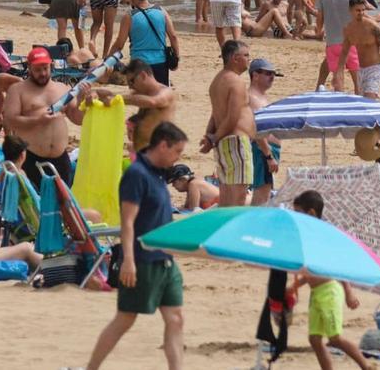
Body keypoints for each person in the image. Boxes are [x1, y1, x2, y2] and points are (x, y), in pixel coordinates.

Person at [85, 122, 187, 370]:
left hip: (165, 260)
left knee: (175, 318)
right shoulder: (137, 174)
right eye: (176, 152)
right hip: (143, 260)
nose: (177, 159)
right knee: (125, 319)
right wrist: (128, 260)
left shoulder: (158, 172)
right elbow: (127, 222)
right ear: (163, 145)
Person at [290, 190, 374, 370]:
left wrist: (349, 293)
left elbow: (338, 265)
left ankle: (366, 366)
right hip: (316, 294)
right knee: (314, 339)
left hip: (329, 291)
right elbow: (310, 271)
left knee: (335, 338)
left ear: (311, 213)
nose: (296, 217)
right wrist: (294, 286)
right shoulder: (307, 238)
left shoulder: (323, 236)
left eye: (298, 213)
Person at [1, 47, 86, 188]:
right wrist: (38, 121)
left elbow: (78, 119)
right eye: (38, 70)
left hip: (60, 158)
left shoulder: (62, 88)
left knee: (63, 205)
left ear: (51, 65)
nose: (43, 73)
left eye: (45, 68)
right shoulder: (18, 90)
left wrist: (83, 100)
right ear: (29, 68)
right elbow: (10, 121)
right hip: (32, 157)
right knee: (35, 206)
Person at [201, 40, 255, 207]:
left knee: (226, 193)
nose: (249, 59)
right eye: (246, 55)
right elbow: (233, 117)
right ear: (235, 58)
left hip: (225, 141)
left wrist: (210, 137)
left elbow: (215, 113)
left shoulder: (217, 80)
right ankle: (234, 231)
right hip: (235, 141)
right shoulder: (236, 82)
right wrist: (214, 138)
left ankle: (225, 229)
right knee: (238, 194)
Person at [91, 59, 175, 153]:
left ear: (143, 75)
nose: (130, 86)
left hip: (159, 154)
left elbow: (152, 102)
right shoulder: (140, 93)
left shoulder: (165, 93)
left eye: (132, 81)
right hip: (142, 153)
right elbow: (114, 97)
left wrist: (120, 99)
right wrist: (95, 93)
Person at [108, 0, 179, 86]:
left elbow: (119, 44)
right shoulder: (161, 11)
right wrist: (176, 58)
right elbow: (173, 37)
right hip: (160, 62)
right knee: (159, 94)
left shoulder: (129, 17)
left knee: (140, 97)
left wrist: (108, 58)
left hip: (138, 64)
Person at [333, 0, 380, 99]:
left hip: (376, 68)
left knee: (369, 98)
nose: (361, 13)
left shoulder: (374, 27)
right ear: (350, 10)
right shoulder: (348, 29)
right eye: (358, 10)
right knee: (364, 102)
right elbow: (344, 52)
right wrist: (339, 71)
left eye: (363, 10)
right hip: (360, 70)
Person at [246, 58, 281, 206]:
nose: (272, 77)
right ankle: (255, 227)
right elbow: (255, 129)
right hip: (262, 150)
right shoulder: (252, 97)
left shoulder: (261, 97)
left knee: (264, 193)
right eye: (268, 74)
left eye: (273, 74)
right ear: (255, 75)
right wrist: (268, 155)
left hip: (267, 150)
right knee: (262, 195)